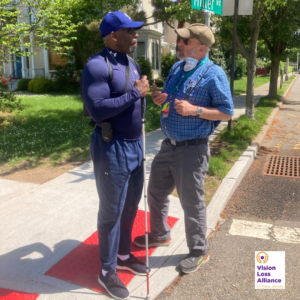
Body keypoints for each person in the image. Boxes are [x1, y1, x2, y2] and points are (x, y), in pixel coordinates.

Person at [134, 23, 234, 275]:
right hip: (169, 146)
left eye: (185, 42)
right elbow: (167, 97)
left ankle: (199, 251)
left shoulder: (214, 73)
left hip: (192, 150)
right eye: (180, 41)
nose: (180, 45)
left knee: (191, 203)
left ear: (202, 47)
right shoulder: (178, 68)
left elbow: (226, 112)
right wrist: (161, 99)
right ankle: (160, 234)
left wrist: (195, 110)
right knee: (155, 192)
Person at [81, 11, 150, 300]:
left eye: (136, 31)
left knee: (131, 206)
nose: (136, 36)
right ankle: (107, 270)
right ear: (113, 36)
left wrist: (150, 94)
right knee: (111, 211)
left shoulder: (130, 62)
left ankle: (123, 255)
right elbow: (97, 109)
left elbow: (136, 93)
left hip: (136, 146)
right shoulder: (97, 66)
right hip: (113, 147)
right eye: (130, 32)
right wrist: (136, 94)